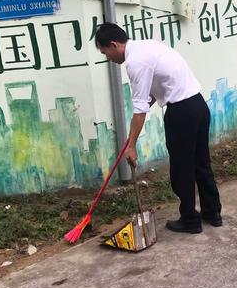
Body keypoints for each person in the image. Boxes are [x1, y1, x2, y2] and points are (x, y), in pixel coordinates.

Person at [95, 22, 222, 234]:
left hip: (181, 113)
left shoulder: (135, 62)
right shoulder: (148, 47)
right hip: (199, 105)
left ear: (113, 44)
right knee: (201, 162)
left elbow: (139, 108)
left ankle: (190, 220)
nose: (108, 58)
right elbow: (155, 90)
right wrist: (144, 106)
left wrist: (132, 145)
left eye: (105, 52)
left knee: (182, 168)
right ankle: (213, 213)